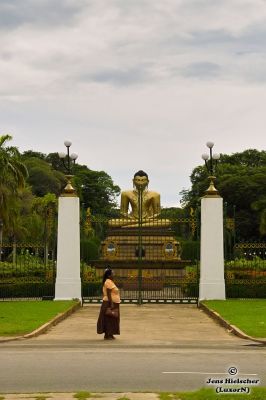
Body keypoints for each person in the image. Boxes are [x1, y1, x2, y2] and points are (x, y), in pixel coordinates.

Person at [97, 266, 121, 340]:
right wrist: (111, 304)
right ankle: (108, 334)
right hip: (109, 302)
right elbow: (109, 293)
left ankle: (110, 334)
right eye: (112, 273)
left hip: (113, 302)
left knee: (112, 319)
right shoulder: (108, 282)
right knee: (109, 319)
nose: (114, 274)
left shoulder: (110, 281)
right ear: (109, 275)